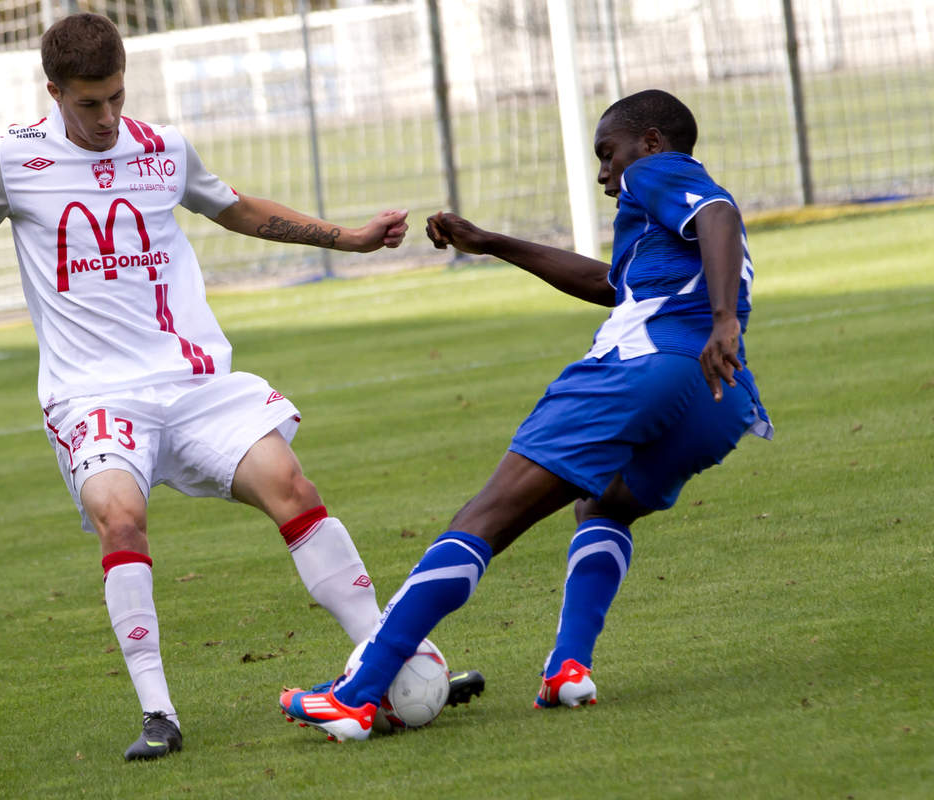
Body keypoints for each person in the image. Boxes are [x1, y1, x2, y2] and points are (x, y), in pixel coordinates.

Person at [0, 12, 481, 761]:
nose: (107, 117)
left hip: (192, 383)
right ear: (54, 92)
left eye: (116, 96)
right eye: (89, 103)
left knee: (290, 485)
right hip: (93, 396)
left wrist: (349, 238)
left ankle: (385, 663)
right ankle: (158, 712)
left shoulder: (163, 149)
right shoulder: (11, 160)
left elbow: (240, 210)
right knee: (121, 517)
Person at [278, 89, 773, 742]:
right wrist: (491, 242)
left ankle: (358, 694)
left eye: (608, 154)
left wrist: (723, 320)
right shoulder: (660, 225)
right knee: (605, 505)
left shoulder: (659, 172)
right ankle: (568, 668)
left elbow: (717, 213)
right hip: (721, 396)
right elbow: (608, 285)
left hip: (644, 366)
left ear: (651, 142)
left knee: (483, 518)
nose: (604, 173)